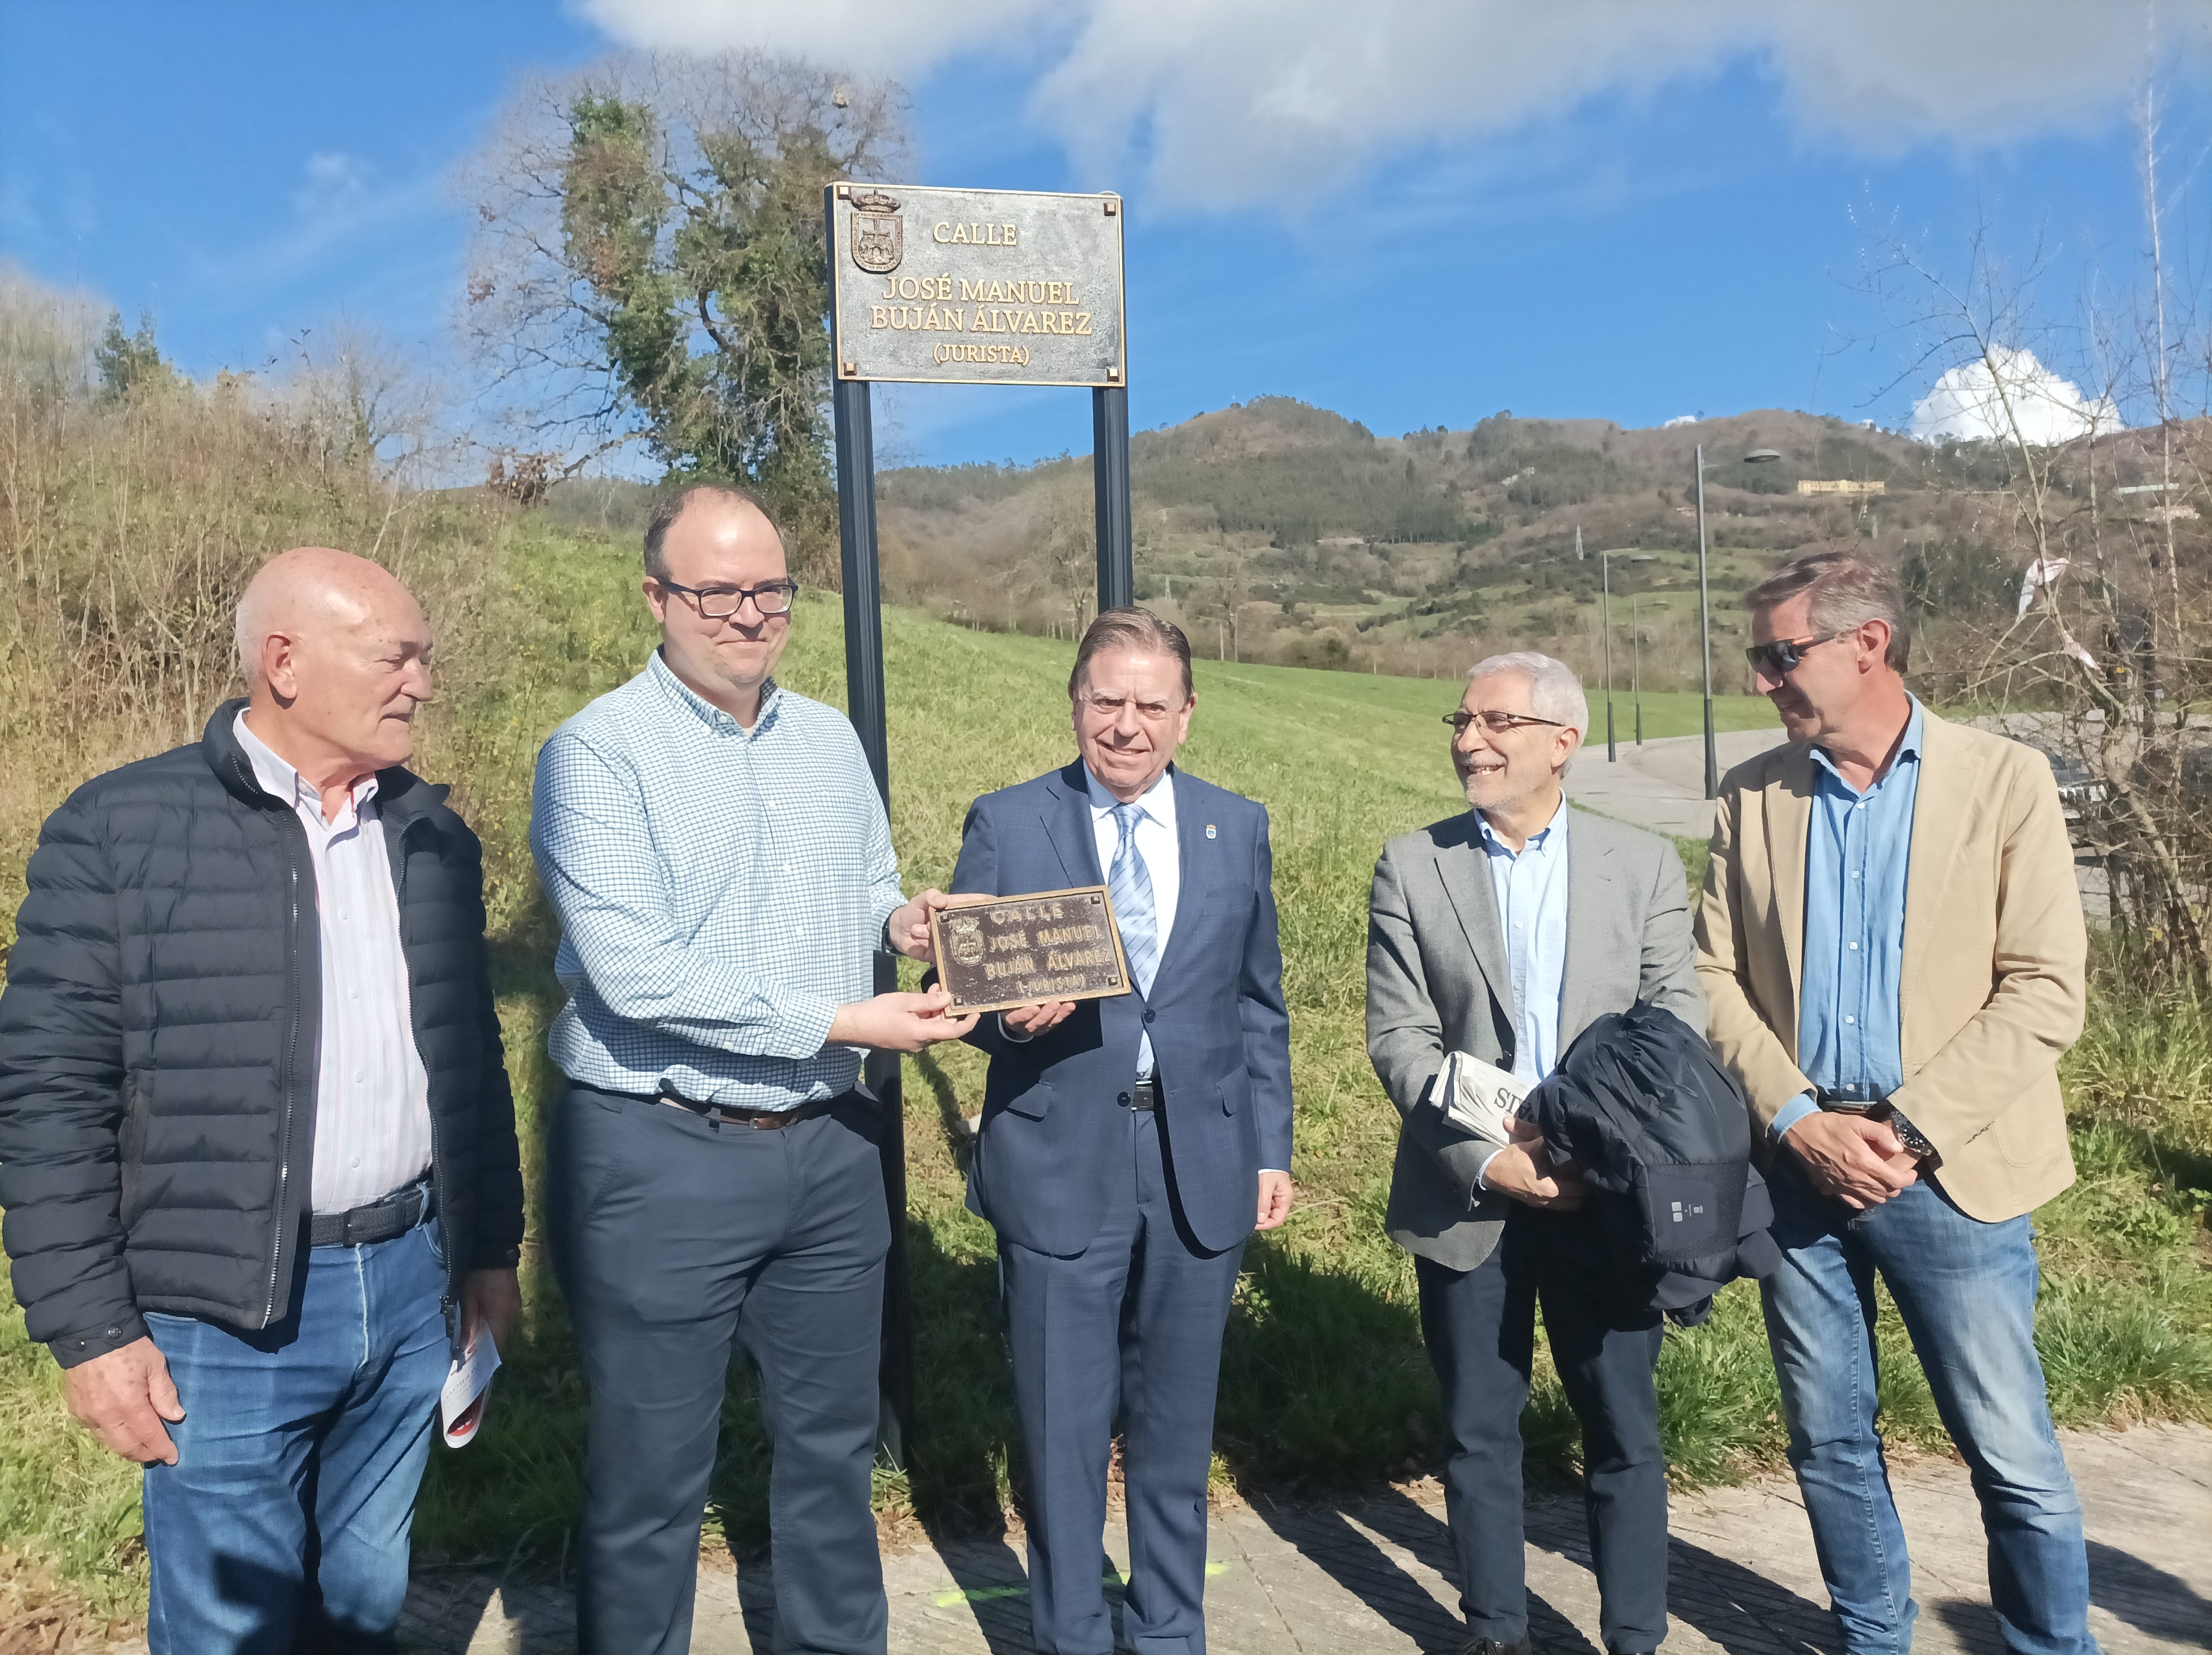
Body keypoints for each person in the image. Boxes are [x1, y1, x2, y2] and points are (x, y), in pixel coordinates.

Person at [0, 548, 523, 1653]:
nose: (422, 681)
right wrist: (89, 1327)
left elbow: (470, 1056)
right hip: (225, 1318)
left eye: (424, 655)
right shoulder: (117, 832)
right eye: (396, 655)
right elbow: (47, 1094)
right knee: (228, 1625)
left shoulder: (432, 834)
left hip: (409, 1278)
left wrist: (489, 1249)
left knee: (366, 1602)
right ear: (283, 662)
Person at [530, 483, 972, 1655]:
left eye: (768, 588)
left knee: (832, 1450)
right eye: (715, 589)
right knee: (650, 1478)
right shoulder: (594, 753)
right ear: (657, 598)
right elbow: (635, 973)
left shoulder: (828, 738)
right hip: (660, 1146)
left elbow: (868, 888)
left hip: (829, 1148)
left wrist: (912, 923)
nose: (746, 612)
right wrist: (845, 1017)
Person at [1695, 550, 2094, 1655]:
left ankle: (2047, 1644)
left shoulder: (2002, 777)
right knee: (1824, 1439)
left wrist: (1906, 1128)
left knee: (2007, 1449)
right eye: (1757, 659)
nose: (1763, 681)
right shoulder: (1750, 793)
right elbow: (1709, 977)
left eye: (1781, 655)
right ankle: (1869, 1638)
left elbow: (2044, 986)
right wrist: (1794, 1121)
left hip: (1949, 1172)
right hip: (1796, 1167)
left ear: (1864, 641)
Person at [940, 606, 1292, 1655]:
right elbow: (959, 983)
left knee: (1178, 1435)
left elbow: (1257, 1007)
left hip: (1200, 1165)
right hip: (1061, 1161)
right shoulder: (1010, 821)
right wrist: (1002, 1015)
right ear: (1076, 704)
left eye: (1150, 705)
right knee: (1062, 1435)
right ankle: (1072, 1638)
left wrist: (1270, 1147)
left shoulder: (1239, 825)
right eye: (1107, 701)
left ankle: (1170, 1634)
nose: (1126, 726)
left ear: (1186, 715)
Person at [1366, 651, 1701, 1655]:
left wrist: (1593, 1151)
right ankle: (1497, 1631)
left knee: (1625, 1434)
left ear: (1563, 741)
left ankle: (1636, 1634)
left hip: (1608, 1196)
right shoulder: (1414, 864)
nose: (1472, 740)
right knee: (1478, 1434)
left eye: (1497, 722)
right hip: (1473, 1194)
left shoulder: (1641, 866)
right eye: (1462, 721)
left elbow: (1673, 1027)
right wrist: (1490, 1158)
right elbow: (1400, 1039)